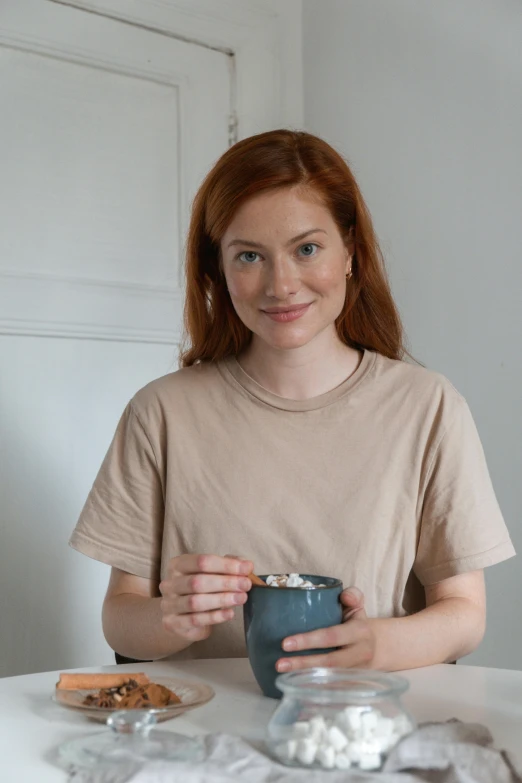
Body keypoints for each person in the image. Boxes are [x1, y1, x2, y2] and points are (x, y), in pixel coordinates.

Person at [70, 129, 515, 674]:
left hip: (369, 727)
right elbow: (120, 618)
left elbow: (465, 615)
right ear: (217, 271)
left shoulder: (430, 408)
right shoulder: (159, 413)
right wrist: (169, 617)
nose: (281, 285)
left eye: (307, 249)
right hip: (203, 735)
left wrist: (377, 645)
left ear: (350, 253)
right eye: (250, 256)